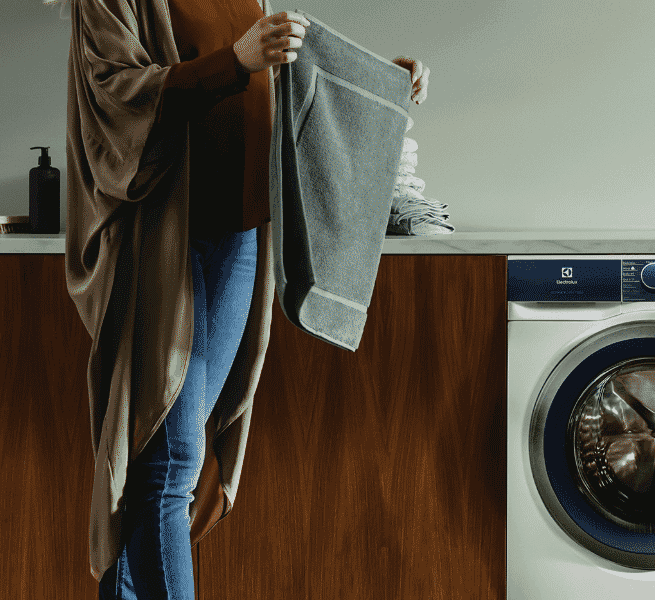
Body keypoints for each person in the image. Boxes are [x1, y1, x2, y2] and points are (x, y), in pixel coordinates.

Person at [62, 1, 429, 598]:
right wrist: (236, 60)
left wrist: (379, 87)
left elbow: (281, 86)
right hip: (163, 242)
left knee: (172, 459)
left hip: (239, 240)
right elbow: (114, 94)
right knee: (169, 464)